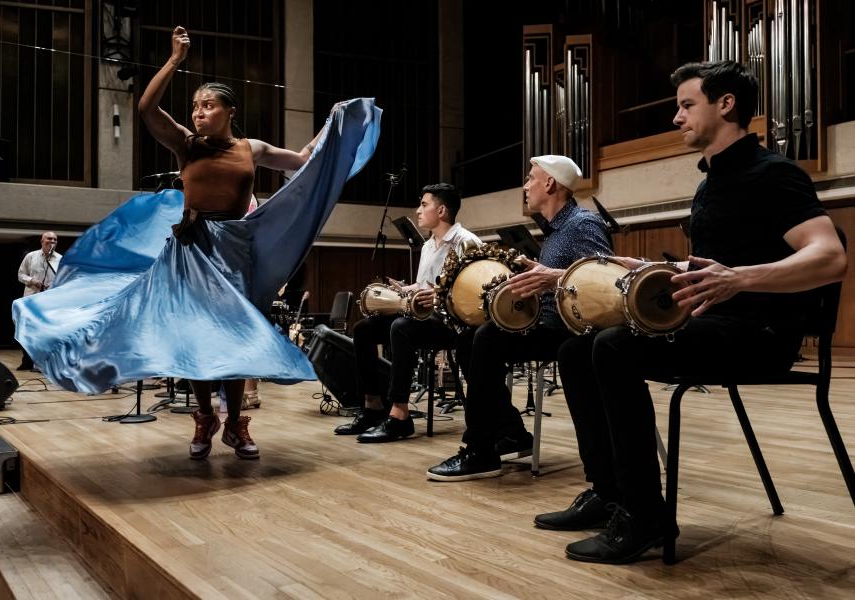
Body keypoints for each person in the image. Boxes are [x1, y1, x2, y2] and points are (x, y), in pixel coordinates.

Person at [12, 27, 380, 460]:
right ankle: (205, 418)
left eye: (208, 105)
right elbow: (147, 107)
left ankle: (236, 425)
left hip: (234, 247)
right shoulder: (187, 146)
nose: (200, 112)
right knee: (196, 338)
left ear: (229, 110)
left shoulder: (250, 147)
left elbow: (300, 162)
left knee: (237, 338)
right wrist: (173, 60)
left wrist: (330, 122)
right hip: (192, 248)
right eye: (195, 106)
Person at [539, 61, 847, 564]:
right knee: (576, 347)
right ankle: (611, 494)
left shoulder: (775, 174)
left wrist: (740, 278)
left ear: (726, 105)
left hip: (761, 335)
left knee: (614, 346)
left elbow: (830, 256)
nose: (677, 118)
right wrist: (644, 265)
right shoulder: (710, 184)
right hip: (712, 326)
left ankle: (646, 517)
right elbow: (712, 264)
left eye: (686, 105)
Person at [426, 156, 612, 481]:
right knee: (471, 333)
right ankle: (508, 432)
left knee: (486, 338)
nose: (525, 186)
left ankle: (481, 450)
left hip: (572, 332)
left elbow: (605, 280)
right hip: (547, 326)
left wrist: (552, 277)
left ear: (550, 184)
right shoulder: (554, 232)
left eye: (530, 178)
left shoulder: (582, 224)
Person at [335, 183, 481, 442]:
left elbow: (473, 292)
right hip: (424, 315)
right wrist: (406, 289)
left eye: (424, 205)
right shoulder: (428, 245)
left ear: (442, 210)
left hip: (452, 323)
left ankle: (399, 415)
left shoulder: (466, 242)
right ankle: (372, 408)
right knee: (364, 329)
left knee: (401, 328)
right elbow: (425, 285)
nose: (418, 211)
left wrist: (438, 296)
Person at [15, 231, 61, 370]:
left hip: (50, 301)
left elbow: (64, 279)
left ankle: (43, 363)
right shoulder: (31, 256)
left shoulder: (60, 259)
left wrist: (54, 285)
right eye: (49, 238)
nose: (52, 241)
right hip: (31, 300)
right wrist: (32, 281)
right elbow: (20, 274)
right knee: (28, 331)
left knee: (46, 332)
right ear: (42, 241)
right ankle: (27, 362)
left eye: (54, 239)